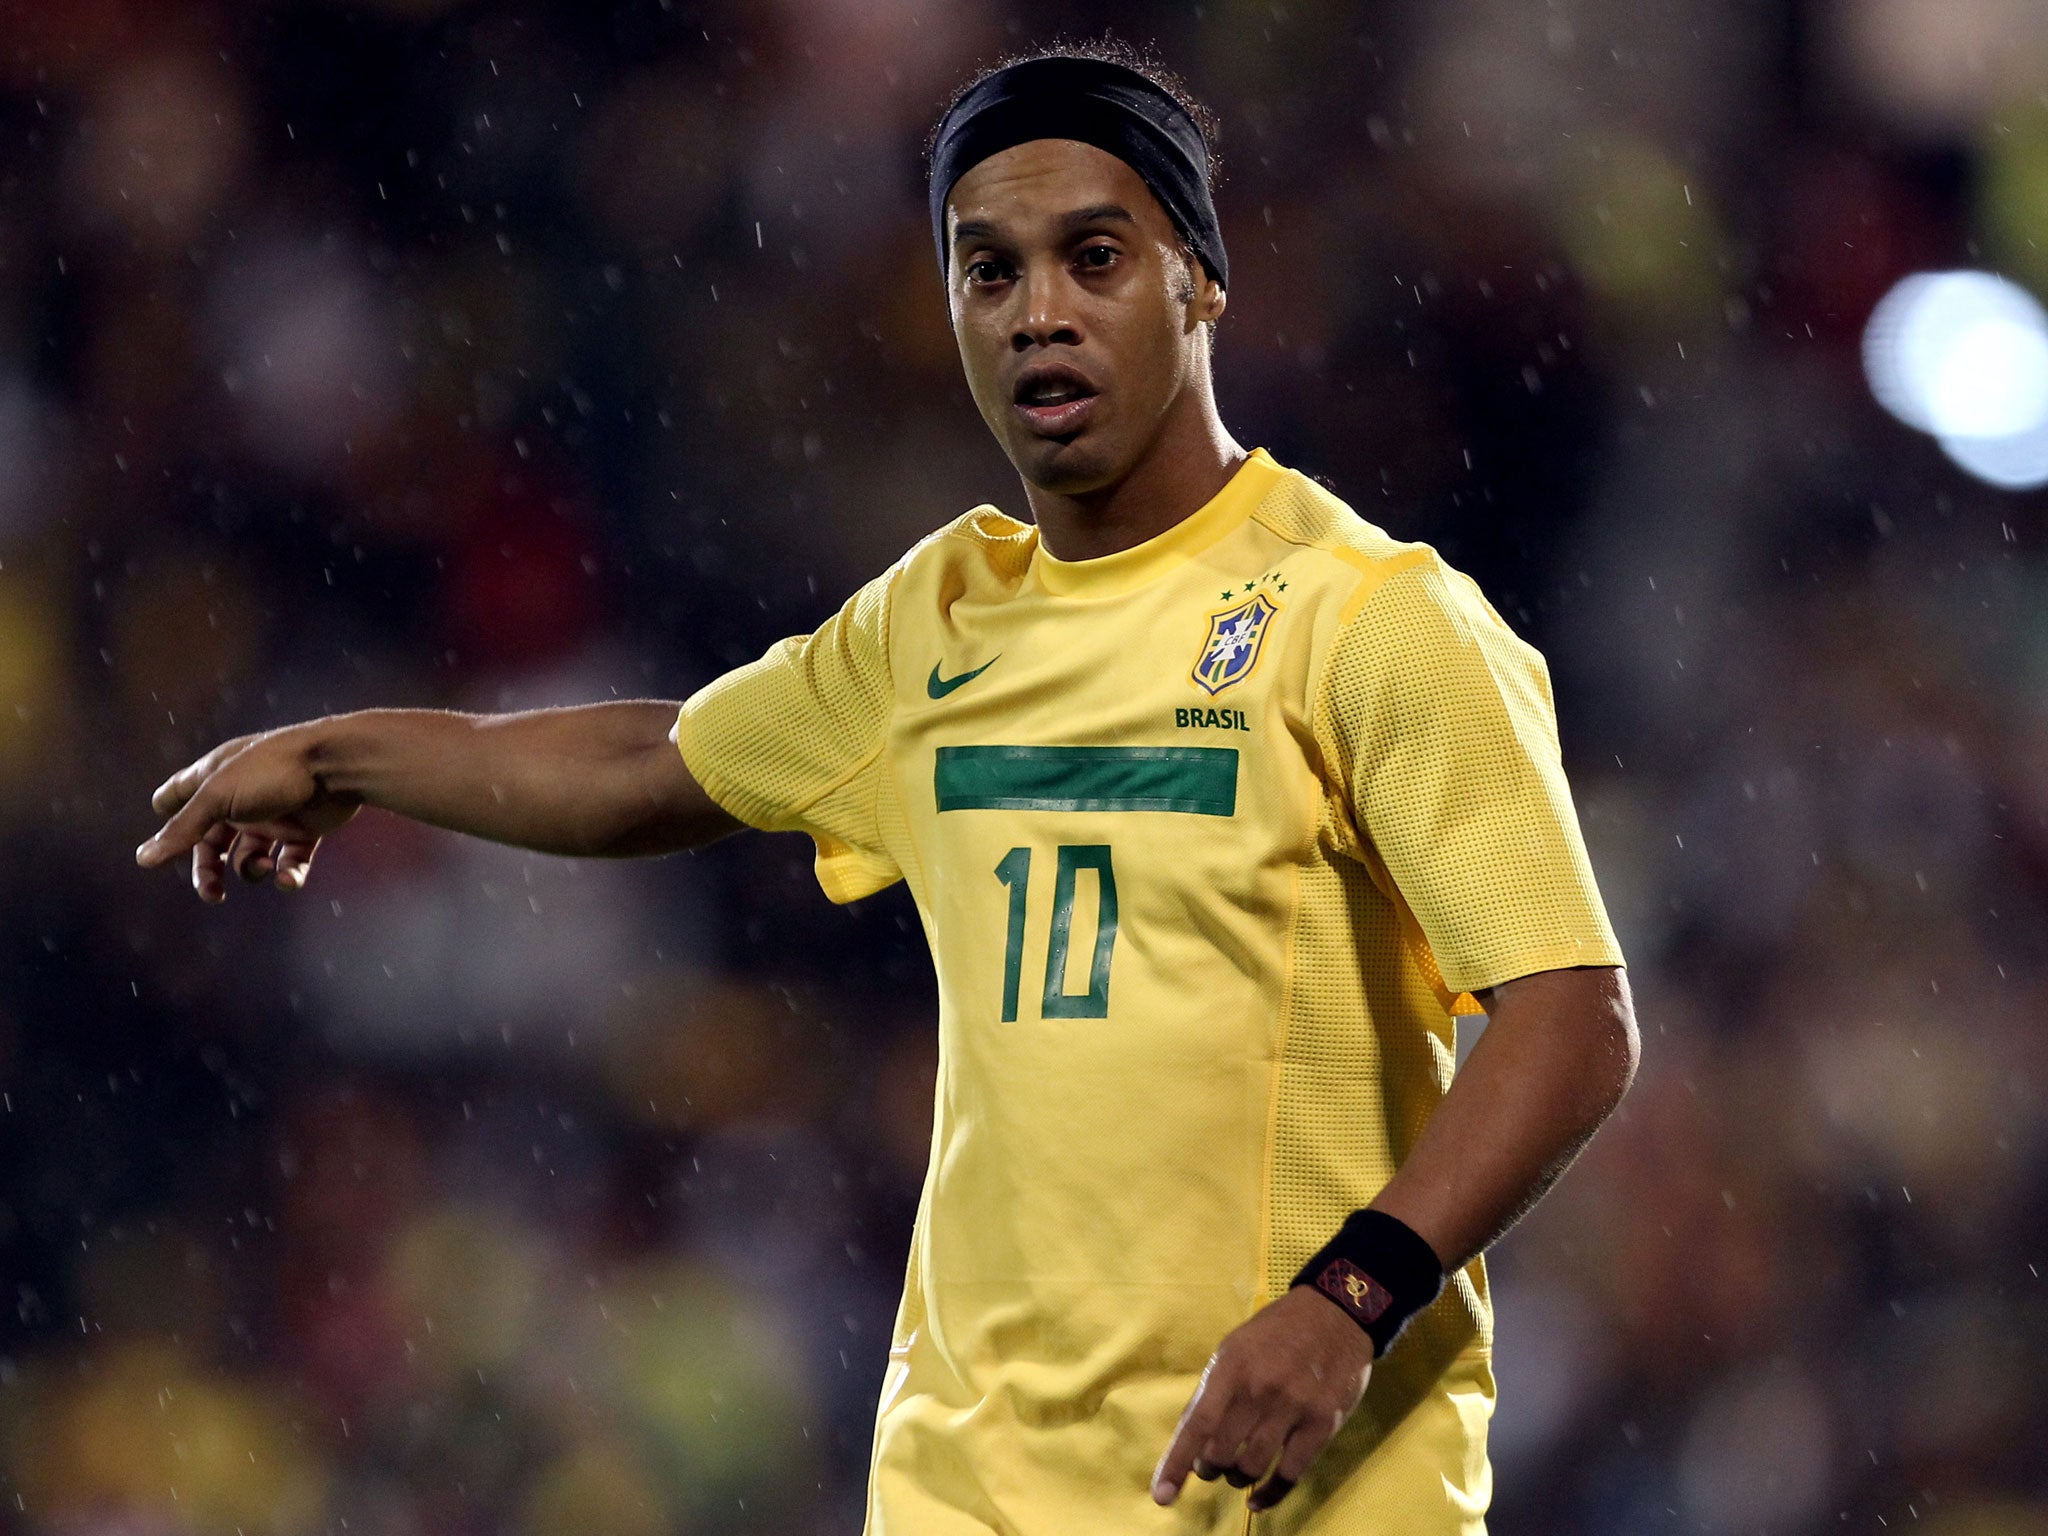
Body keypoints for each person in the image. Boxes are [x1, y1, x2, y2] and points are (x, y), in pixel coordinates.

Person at [136, 42, 1638, 1536]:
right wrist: (340, 757)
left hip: (1300, 1494)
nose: (1039, 311)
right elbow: (656, 762)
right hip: (967, 1491)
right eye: (988, 272)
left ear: (1203, 284)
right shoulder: (937, 626)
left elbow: (1573, 1018)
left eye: (1094, 257)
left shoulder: (1368, 619)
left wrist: (1348, 1301)